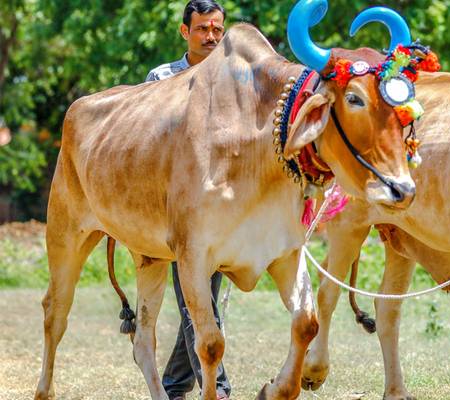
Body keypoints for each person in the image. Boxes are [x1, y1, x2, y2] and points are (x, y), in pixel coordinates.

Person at [145, 1, 230, 399]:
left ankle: (174, 386)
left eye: (216, 29)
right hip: (173, 210)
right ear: (185, 32)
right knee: (200, 307)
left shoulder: (234, 80)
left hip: (219, 206)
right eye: (202, 29)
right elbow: (148, 141)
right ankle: (222, 391)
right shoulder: (161, 78)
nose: (211, 36)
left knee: (201, 303)